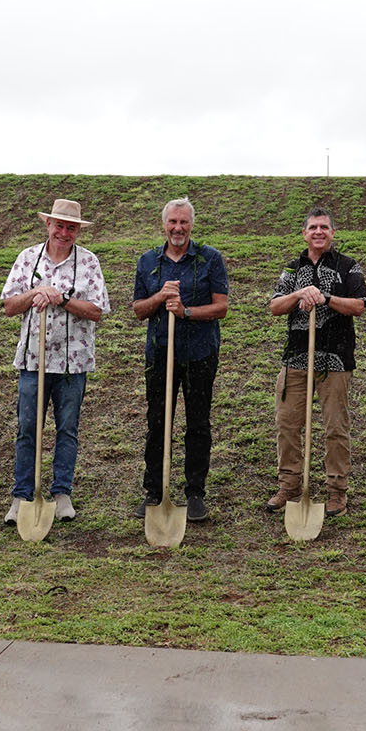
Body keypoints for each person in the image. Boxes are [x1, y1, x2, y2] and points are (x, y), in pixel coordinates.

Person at [0, 199, 111, 524]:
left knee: (67, 430)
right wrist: (36, 294)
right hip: (33, 361)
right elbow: (9, 306)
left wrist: (61, 299)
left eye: (71, 227)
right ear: (48, 225)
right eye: (59, 225)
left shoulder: (89, 262)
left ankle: (62, 494)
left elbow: (96, 311)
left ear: (77, 230)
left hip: (72, 364)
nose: (64, 232)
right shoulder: (27, 258)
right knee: (27, 430)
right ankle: (22, 496)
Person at [130, 197, 230, 522]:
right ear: (164, 224)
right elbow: (138, 310)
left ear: (191, 224)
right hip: (160, 354)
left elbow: (221, 308)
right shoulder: (148, 261)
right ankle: (154, 492)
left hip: (200, 353)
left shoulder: (209, 259)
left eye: (183, 222)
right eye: (173, 222)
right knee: (158, 423)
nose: (178, 228)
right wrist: (160, 297)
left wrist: (185, 311)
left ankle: (195, 493)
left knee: (197, 424)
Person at [266, 207, 366, 517]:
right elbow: (274, 306)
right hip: (296, 358)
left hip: (335, 360)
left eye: (324, 227)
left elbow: (360, 305)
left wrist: (325, 298)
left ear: (332, 233)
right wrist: (300, 294)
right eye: (313, 227)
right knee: (287, 424)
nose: (319, 232)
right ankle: (290, 485)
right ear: (305, 233)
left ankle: (337, 491)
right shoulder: (291, 268)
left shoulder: (348, 267)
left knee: (336, 427)